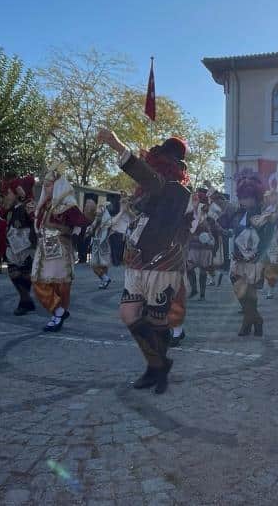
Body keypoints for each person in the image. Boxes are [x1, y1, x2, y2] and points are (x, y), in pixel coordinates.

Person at [98, 128, 191, 395]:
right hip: (138, 262)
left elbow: (152, 180)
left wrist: (118, 146)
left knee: (157, 320)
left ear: (167, 165)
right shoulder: (148, 194)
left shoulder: (175, 190)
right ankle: (159, 364)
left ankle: (155, 370)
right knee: (128, 313)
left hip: (163, 264)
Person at [30, 164, 89, 332]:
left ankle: (57, 316)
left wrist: (69, 234)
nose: (45, 188)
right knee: (38, 282)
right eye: (45, 185)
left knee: (60, 285)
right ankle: (59, 311)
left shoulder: (68, 205)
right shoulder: (45, 205)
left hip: (60, 250)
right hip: (44, 250)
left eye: (48, 185)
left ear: (57, 185)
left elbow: (81, 225)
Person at [226, 171, 277, 337]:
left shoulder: (264, 215)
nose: (244, 201)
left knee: (250, 293)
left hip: (255, 260)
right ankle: (256, 319)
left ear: (255, 197)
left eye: (247, 197)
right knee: (239, 291)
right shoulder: (237, 214)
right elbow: (232, 233)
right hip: (238, 258)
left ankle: (248, 322)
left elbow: (268, 238)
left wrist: (259, 255)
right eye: (242, 197)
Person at [1, 176, 38, 316]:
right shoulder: (10, 210)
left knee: (24, 276)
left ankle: (25, 302)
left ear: (17, 192)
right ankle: (26, 301)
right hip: (13, 249)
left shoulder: (28, 205)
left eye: (8, 193)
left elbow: (36, 223)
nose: (6, 196)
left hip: (27, 249)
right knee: (14, 274)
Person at [186, 188, 218, 301]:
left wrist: (209, 236)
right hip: (194, 246)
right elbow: (189, 228)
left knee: (203, 270)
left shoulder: (209, 214)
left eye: (198, 199)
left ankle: (202, 294)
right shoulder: (191, 213)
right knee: (189, 268)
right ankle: (194, 289)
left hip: (205, 247)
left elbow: (213, 226)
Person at [88, 201, 114, 289]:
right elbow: (91, 230)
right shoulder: (96, 223)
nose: (97, 216)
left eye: (99, 214)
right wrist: (90, 229)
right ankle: (105, 279)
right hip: (96, 246)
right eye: (97, 214)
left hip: (104, 247)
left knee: (104, 265)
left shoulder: (107, 222)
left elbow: (108, 234)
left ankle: (104, 281)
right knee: (93, 265)